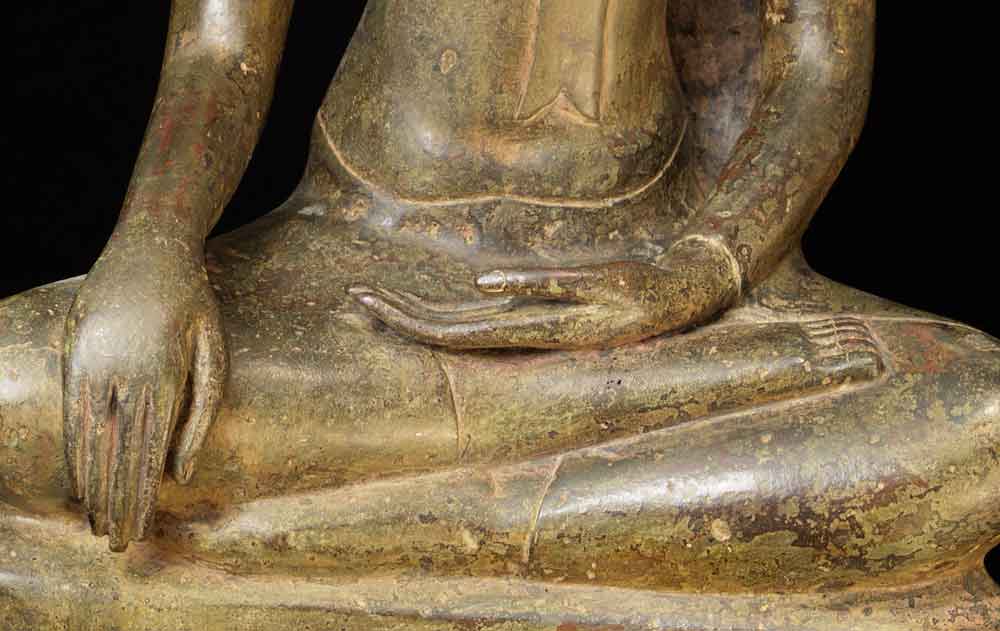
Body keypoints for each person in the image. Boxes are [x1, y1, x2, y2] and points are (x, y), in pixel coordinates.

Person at [2, 0, 998, 609]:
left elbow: (817, 67)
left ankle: (304, 543)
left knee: (977, 411)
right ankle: (552, 500)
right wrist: (151, 247)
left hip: (645, 283)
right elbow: (219, 48)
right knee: (15, 385)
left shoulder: (672, 282)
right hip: (355, 272)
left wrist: (687, 278)